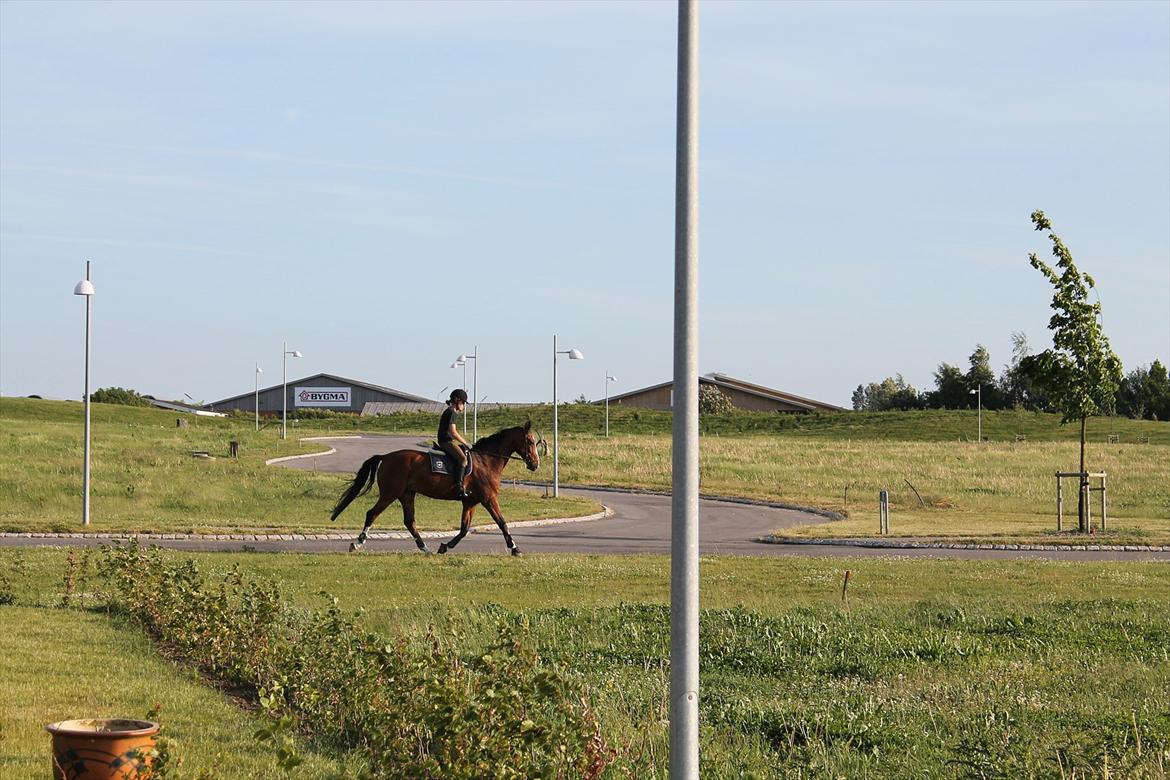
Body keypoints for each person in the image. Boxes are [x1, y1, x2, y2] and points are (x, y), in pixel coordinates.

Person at [438, 389, 471, 497]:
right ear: (457, 401)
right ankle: (459, 488)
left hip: (446, 440)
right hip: (446, 441)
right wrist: (465, 442)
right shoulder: (452, 412)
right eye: (463, 403)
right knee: (463, 459)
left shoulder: (449, 411)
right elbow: (453, 431)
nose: (463, 406)